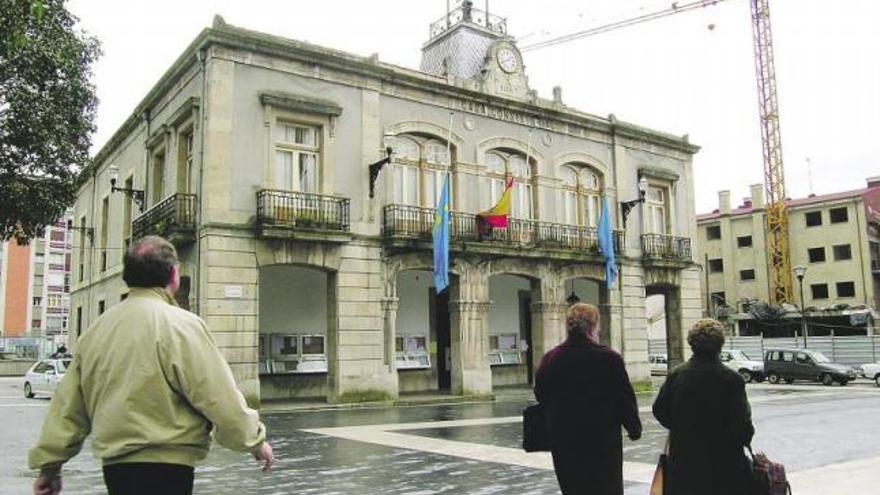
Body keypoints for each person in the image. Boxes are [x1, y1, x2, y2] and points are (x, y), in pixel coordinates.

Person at [29, 236, 274, 495]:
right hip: (170, 468)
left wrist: (50, 466)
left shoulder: (96, 331)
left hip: (116, 470)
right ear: (173, 275)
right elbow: (217, 395)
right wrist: (254, 441)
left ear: (127, 276)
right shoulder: (182, 326)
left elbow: (68, 407)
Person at [534, 302, 642, 495]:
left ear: (567, 326)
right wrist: (633, 427)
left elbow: (540, 394)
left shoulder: (550, 358)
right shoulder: (609, 358)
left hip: (565, 440)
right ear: (594, 326)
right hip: (602, 440)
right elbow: (624, 398)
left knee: (574, 488)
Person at [652, 319, 754, 495]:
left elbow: (659, 410)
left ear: (691, 344)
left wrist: (680, 426)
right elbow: (742, 424)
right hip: (725, 463)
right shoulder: (732, 380)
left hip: (684, 460)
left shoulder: (677, 375)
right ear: (720, 346)